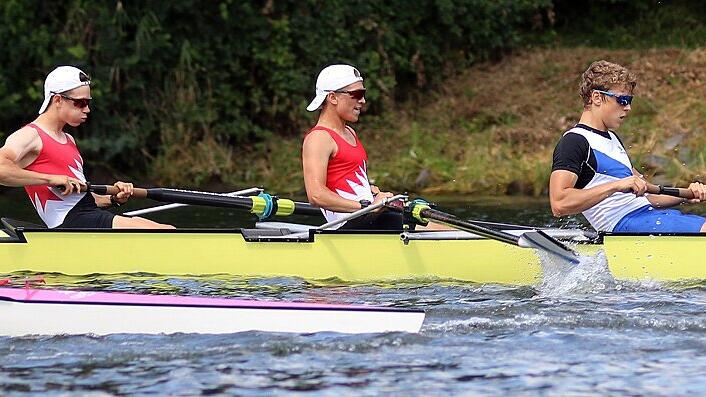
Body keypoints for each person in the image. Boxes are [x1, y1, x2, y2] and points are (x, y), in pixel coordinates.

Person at [0, 66, 173, 229]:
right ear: (58, 99)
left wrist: (113, 199)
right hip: (70, 223)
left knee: (164, 228)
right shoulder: (30, 135)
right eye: (80, 103)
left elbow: (79, 198)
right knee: (166, 233)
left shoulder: (68, 139)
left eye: (88, 102)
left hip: (86, 215)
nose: (87, 109)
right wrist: (51, 179)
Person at [549, 60, 706, 233]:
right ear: (597, 98)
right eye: (622, 100)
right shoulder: (574, 142)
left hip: (648, 217)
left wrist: (689, 194)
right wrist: (616, 186)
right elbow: (559, 203)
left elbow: (647, 194)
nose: (628, 107)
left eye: (629, 100)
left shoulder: (613, 139)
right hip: (623, 224)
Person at [302, 64, 404, 230]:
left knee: (431, 224)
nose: (362, 101)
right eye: (357, 94)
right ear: (333, 97)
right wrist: (367, 206)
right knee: (434, 229)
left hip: (368, 218)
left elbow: (345, 181)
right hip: (350, 225)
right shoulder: (318, 138)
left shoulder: (350, 132)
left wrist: (371, 193)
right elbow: (316, 195)